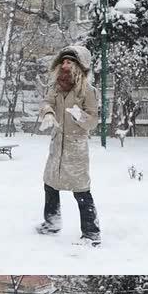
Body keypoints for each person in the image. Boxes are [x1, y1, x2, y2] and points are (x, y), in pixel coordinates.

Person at [37, 44, 102, 246]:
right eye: (63, 61)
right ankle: (52, 223)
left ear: (79, 66)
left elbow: (93, 121)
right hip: (57, 145)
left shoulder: (88, 91)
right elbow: (46, 103)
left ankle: (91, 234)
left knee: (81, 190)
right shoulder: (55, 87)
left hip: (76, 148)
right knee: (50, 184)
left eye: (70, 62)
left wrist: (79, 115)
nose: (65, 65)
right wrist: (47, 112)